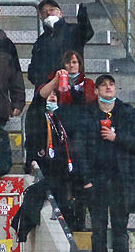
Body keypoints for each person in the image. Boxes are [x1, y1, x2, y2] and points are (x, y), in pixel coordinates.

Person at [79, 73, 135, 252]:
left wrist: (116, 137)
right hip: (98, 181)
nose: (108, 88)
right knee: (98, 230)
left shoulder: (127, 112)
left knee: (120, 229)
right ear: (96, 90)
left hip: (122, 181)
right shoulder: (88, 114)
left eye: (111, 84)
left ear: (116, 89)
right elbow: (79, 149)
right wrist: (86, 179)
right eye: (103, 85)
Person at [18, 81, 92, 239]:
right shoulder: (36, 117)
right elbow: (38, 99)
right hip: (44, 177)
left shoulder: (59, 120)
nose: (52, 96)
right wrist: (55, 82)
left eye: (55, 94)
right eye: (49, 94)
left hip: (61, 179)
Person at [28, 0, 95, 92]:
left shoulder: (73, 31)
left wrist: (83, 16)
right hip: (48, 91)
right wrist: (39, 81)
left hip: (72, 90)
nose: (48, 13)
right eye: (44, 11)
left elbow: (87, 33)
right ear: (41, 17)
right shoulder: (40, 41)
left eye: (52, 10)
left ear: (60, 13)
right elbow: (33, 68)